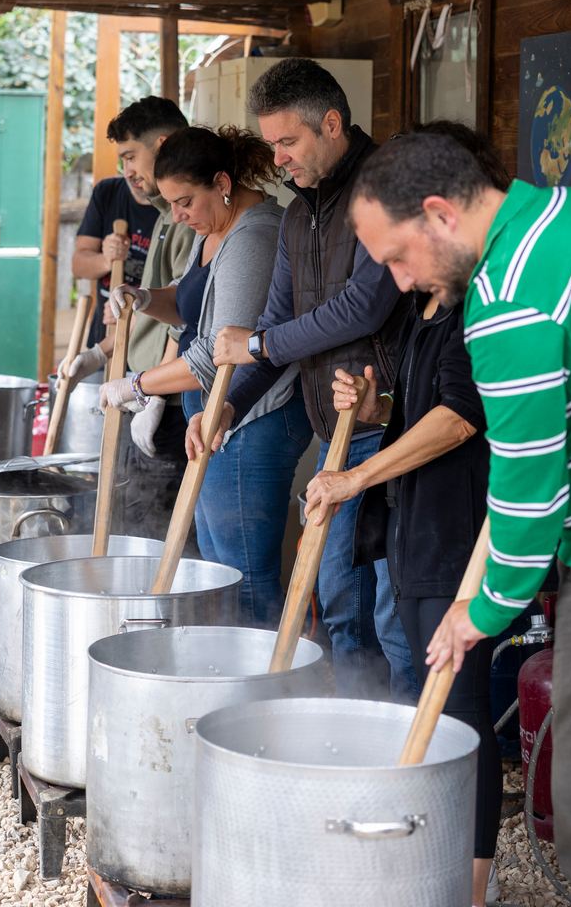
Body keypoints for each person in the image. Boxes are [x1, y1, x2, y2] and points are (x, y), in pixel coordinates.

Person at [349, 129, 571, 907]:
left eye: (398, 256)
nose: (402, 282)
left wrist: (479, 612)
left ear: (440, 213)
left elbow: (527, 489)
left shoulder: (506, 300)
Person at [305, 123, 511, 907]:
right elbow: (421, 412)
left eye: (395, 254)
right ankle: (423, 859)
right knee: (425, 698)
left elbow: (459, 419)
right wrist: (373, 407)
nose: (390, 273)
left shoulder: (475, 310)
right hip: (418, 532)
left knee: (458, 716)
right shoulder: (426, 308)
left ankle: (469, 885)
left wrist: (356, 477)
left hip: (461, 536)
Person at [193, 57, 416, 700]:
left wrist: (259, 342)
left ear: (333, 123)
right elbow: (280, 323)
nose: (279, 159)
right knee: (341, 598)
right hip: (334, 430)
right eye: (271, 145)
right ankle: (352, 728)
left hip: (388, 425)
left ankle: (401, 745)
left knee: (388, 611)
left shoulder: (384, 189)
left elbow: (363, 307)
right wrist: (230, 407)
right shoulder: (299, 214)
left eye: (288, 142)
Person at [105, 125, 312, 625]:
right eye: (169, 202)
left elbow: (215, 356)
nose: (176, 215)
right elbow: (187, 300)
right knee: (219, 561)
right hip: (217, 417)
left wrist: (135, 386)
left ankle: (264, 683)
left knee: (242, 572)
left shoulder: (255, 236)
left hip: (251, 417)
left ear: (222, 182)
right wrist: (143, 298)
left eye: (184, 201)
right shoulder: (215, 228)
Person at [65, 96, 193, 541]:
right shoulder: (166, 214)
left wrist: (154, 391)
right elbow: (154, 313)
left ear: (161, 144)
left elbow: (184, 318)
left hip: (169, 400)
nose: (127, 171)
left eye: (130, 156)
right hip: (143, 388)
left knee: (156, 535)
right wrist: (100, 354)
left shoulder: (186, 218)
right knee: (133, 523)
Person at [72, 118, 160, 345]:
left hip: (152, 350)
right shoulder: (107, 192)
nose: (127, 172)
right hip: (104, 338)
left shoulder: (179, 211)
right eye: (123, 160)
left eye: (132, 158)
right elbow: (78, 264)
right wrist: (106, 259)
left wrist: (134, 310)